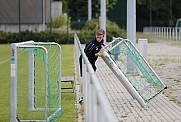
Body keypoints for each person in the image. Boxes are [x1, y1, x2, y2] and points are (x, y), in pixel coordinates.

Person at [79, 28, 105, 104]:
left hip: (92, 62)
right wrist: (98, 54)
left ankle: (89, 93)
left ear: (103, 36)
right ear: (95, 36)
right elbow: (86, 55)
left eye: (101, 37)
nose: (99, 39)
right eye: (98, 37)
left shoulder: (101, 41)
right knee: (84, 78)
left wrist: (103, 49)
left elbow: (102, 45)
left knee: (91, 77)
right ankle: (82, 97)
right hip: (84, 61)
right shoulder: (91, 44)